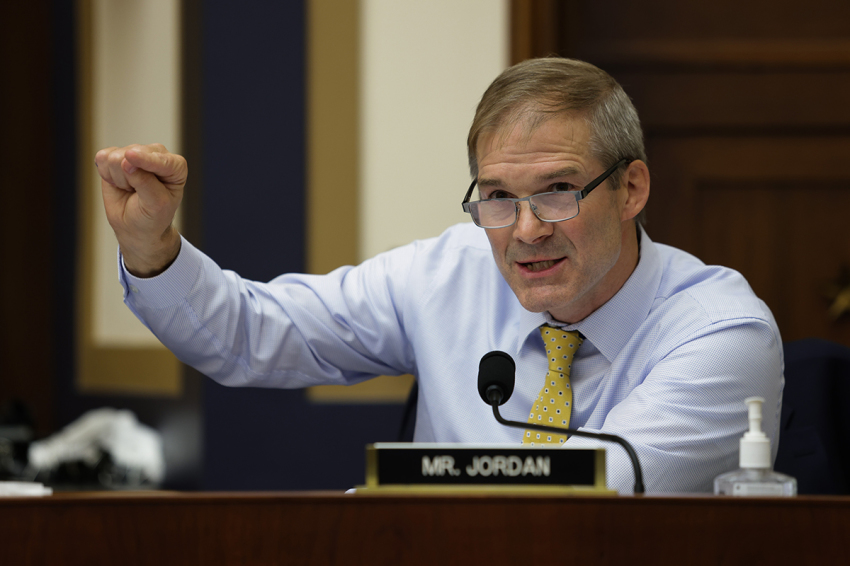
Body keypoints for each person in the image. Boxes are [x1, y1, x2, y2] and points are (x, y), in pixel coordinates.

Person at [94, 57, 783, 494]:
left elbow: (592, 497)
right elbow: (251, 334)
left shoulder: (723, 331)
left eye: (557, 191)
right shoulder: (448, 272)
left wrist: (391, 502)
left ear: (631, 189)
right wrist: (153, 247)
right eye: (498, 197)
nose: (525, 230)